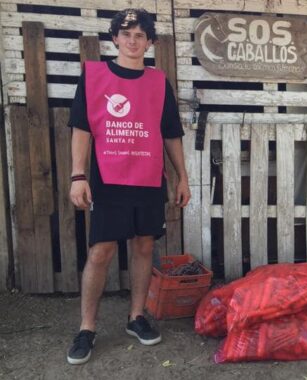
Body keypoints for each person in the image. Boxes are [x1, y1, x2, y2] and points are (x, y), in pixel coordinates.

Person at [66, 9, 190, 364]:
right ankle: (87, 328)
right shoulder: (94, 77)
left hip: (149, 178)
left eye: (140, 35)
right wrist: (78, 175)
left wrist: (182, 176)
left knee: (144, 246)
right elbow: (81, 129)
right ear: (115, 39)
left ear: (149, 42)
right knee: (100, 252)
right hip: (108, 177)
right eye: (126, 34)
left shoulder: (158, 82)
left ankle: (136, 317)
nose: (133, 41)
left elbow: (171, 134)